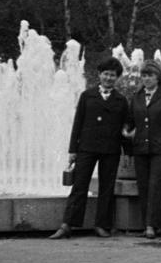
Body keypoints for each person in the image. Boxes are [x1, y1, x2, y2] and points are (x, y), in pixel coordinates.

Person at [50, 57, 130, 239]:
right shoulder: (87, 96)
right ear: (99, 75)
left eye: (113, 75)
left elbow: (125, 127)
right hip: (86, 147)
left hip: (111, 149)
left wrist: (128, 152)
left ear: (117, 78)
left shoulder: (121, 100)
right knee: (79, 185)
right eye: (106, 74)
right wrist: (73, 151)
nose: (109, 78)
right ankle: (67, 224)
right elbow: (77, 123)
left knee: (106, 188)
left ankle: (102, 225)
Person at [123, 63, 161, 240]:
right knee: (143, 186)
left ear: (158, 77)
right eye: (144, 76)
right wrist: (127, 134)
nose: (146, 79)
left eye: (150, 75)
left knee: (155, 185)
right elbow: (130, 121)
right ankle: (150, 223)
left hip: (160, 148)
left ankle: (152, 224)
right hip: (140, 148)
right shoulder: (136, 97)